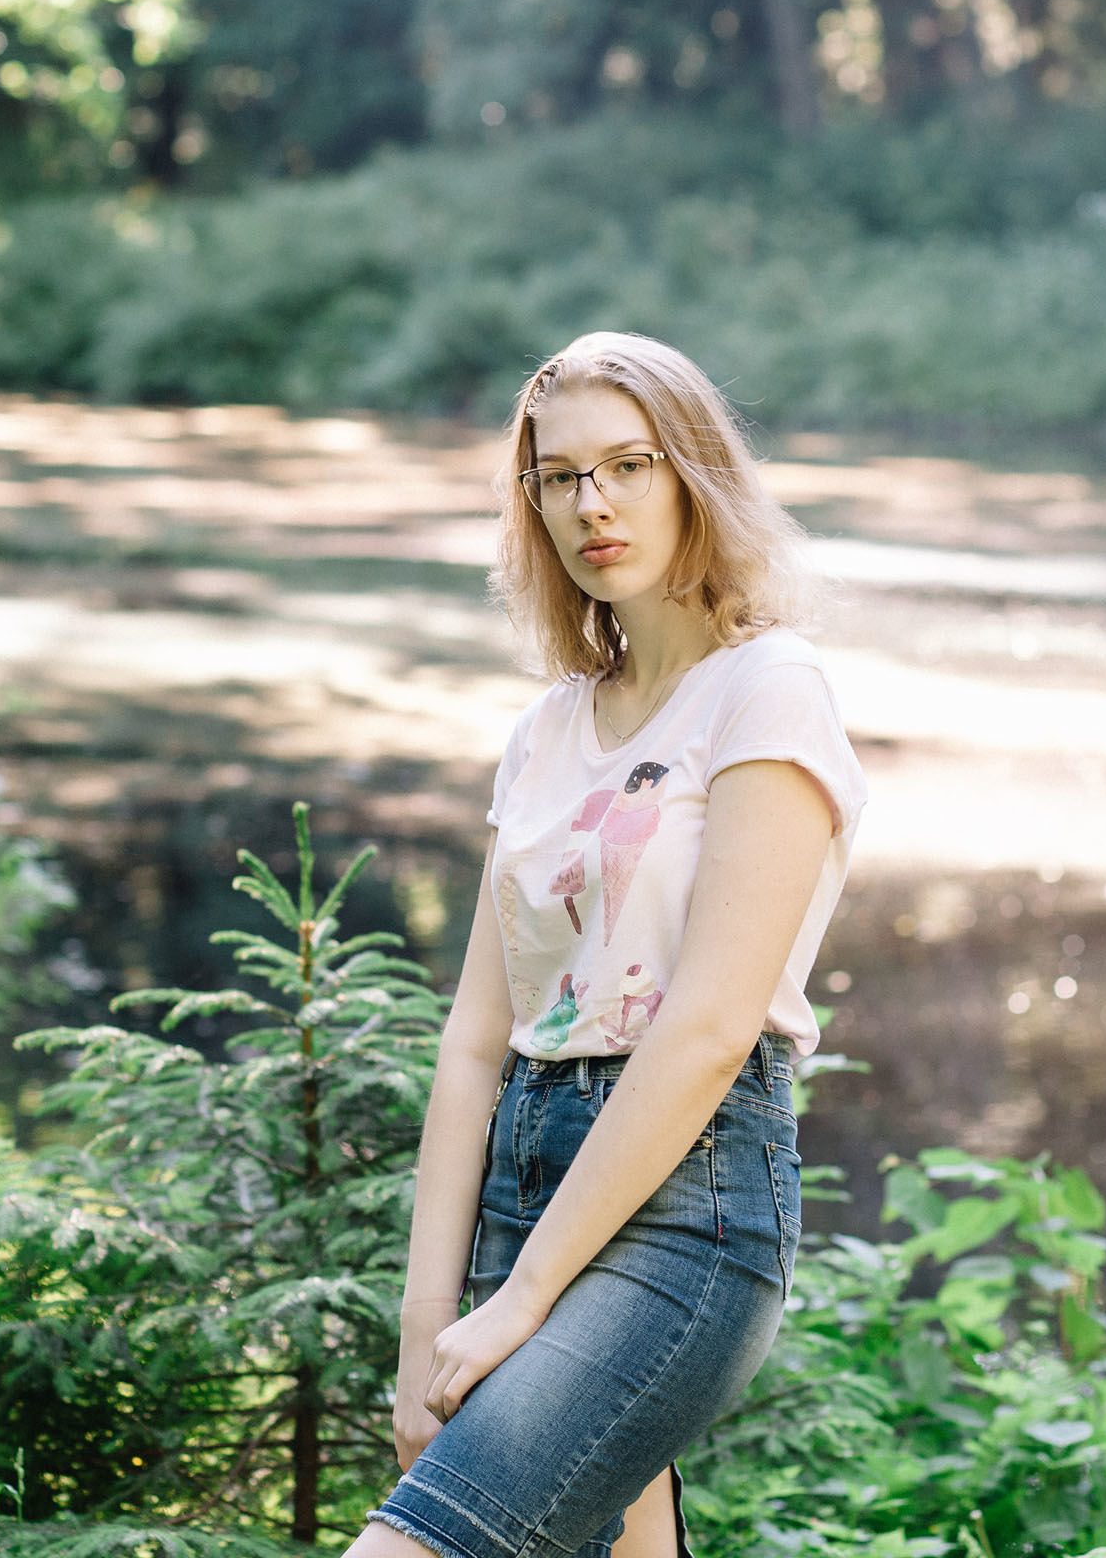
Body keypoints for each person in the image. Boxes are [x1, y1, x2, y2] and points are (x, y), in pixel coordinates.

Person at [347, 332, 868, 1558]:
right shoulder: (544, 730)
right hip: (526, 1185)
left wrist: (525, 1302)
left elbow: (705, 1026)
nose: (593, 505)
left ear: (693, 475)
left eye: (628, 465)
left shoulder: (767, 691)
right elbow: (478, 1040)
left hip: (689, 1203)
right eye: (558, 476)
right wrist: (429, 1319)